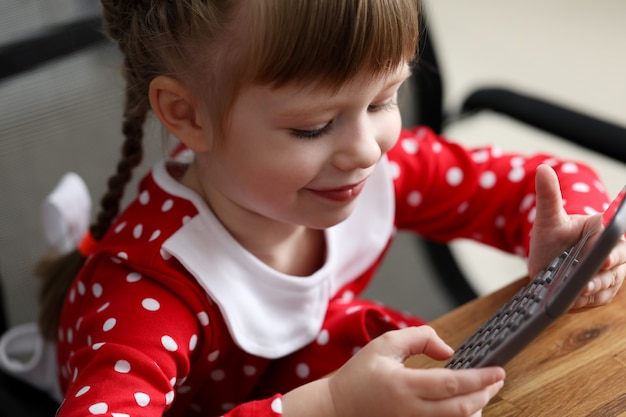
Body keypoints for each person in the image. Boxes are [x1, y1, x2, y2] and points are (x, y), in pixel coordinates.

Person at [28, 1, 625, 416]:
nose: (366, 151)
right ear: (188, 117)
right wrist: (330, 407)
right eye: (313, 127)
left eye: (386, 99)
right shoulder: (145, 294)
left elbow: (541, 181)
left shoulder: (368, 168)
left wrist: (565, 234)